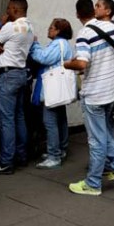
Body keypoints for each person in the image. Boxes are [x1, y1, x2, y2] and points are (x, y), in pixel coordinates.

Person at [64, 0, 114, 196]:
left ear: (78, 14)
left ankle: (93, 183)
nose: (97, 7)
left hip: (94, 94)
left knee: (96, 139)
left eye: (99, 5)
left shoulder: (84, 33)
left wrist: (66, 64)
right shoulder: (110, 27)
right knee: (103, 132)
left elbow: (82, 64)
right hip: (110, 92)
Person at [0, 0, 34, 174]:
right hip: (21, 73)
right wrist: (2, 45)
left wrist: (0, 23)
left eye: (8, 9)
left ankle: (6, 162)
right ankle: (21, 156)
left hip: (7, 76)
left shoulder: (10, 26)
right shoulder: (29, 27)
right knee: (19, 117)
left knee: (6, 120)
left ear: (15, 9)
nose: (6, 12)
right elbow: (9, 44)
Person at [29, 18, 74, 169]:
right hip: (58, 89)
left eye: (51, 28)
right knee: (60, 119)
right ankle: (61, 149)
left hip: (52, 90)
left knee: (50, 122)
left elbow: (43, 57)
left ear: (58, 31)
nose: (48, 30)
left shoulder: (58, 44)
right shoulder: (64, 44)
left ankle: (54, 155)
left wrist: (34, 44)